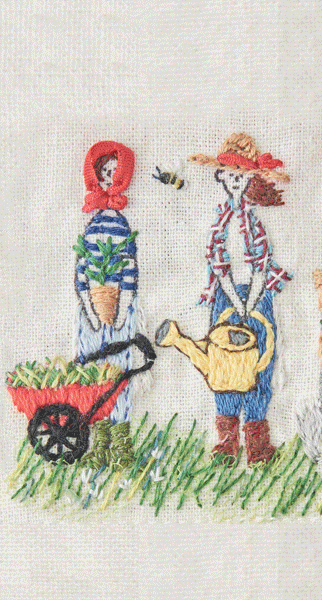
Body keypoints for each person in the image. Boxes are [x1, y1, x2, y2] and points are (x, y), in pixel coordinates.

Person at [188, 133, 291, 464]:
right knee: (224, 366)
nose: (236, 180)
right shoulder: (220, 222)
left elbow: (261, 265)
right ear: (221, 176)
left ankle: (258, 445)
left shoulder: (254, 222)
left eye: (242, 175)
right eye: (231, 174)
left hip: (257, 296)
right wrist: (236, 302)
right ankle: (227, 442)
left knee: (260, 363)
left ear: (250, 180)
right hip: (227, 298)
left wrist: (252, 300)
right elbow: (218, 266)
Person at [75, 140, 142, 469]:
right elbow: (83, 266)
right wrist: (88, 303)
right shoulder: (92, 226)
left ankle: (122, 443)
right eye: (104, 171)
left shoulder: (120, 224)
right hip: (92, 306)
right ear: (96, 176)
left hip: (120, 308)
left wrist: (124, 305)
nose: (109, 177)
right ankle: (100, 441)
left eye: (115, 172)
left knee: (120, 369)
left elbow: (128, 266)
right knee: (93, 371)